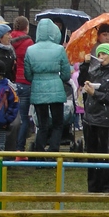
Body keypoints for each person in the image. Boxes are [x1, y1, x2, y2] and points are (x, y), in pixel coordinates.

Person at [79, 43, 109, 193]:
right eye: (98, 54)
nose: (101, 57)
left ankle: (108, 187)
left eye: (104, 54)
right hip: (90, 117)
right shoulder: (95, 70)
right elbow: (82, 80)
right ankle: (93, 187)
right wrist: (85, 66)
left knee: (105, 154)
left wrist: (94, 94)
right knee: (91, 154)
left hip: (105, 119)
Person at [24, 18, 71, 155]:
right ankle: (53, 151)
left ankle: (39, 152)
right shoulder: (59, 49)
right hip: (56, 88)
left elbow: (28, 74)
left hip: (38, 89)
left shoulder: (30, 50)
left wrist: (37, 79)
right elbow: (66, 74)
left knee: (42, 124)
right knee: (57, 123)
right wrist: (59, 78)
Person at [10, 16, 34, 158]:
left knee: (11, 117)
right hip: (25, 81)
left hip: (12, 81)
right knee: (24, 117)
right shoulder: (28, 42)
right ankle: (20, 150)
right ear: (26, 28)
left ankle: (8, 147)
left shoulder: (8, 40)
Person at [0, 60, 19, 153]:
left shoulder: (8, 87)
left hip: (2, 123)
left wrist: (7, 119)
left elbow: (14, 104)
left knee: (0, 146)